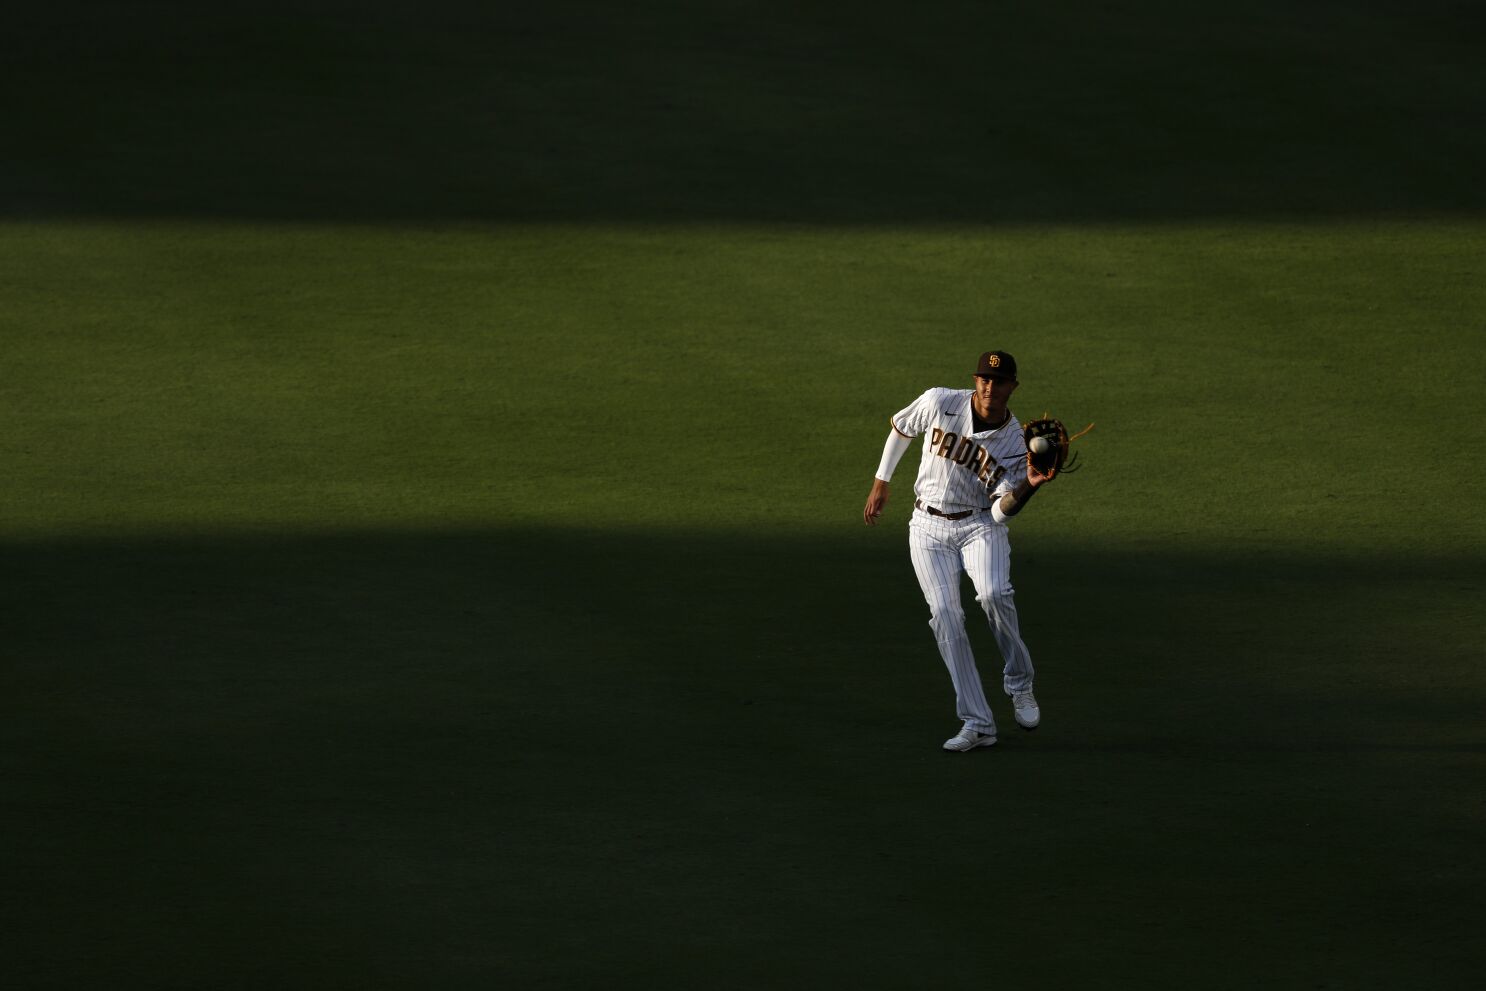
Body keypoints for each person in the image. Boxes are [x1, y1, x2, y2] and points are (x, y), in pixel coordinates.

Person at [863, 350, 1053, 752]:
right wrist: (882, 480)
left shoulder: (1016, 443)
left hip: (979, 525)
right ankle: (978, 723)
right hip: (926, 527)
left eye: (999, 382)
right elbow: (902, 427)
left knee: (994, 594)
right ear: (975, 379)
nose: (990, 386)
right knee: (946, 616)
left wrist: (1030, 485)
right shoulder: (940, 401)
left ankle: (1020, 684)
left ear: (1012, 388)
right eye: (984, 378)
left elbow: (1001, 513)